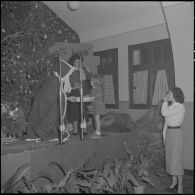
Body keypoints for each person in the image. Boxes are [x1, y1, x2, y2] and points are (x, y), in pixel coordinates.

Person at [26, 53, 75, 140]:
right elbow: (58, 96)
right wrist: (68, 98)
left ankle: (34, 133)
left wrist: (66, 97)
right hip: (47, 104)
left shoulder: (53, 78)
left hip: (42, 103)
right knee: (52, 115)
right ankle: (45, 131)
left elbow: (55, 95)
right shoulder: (55, 81)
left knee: (39, 116)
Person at [161, 87, 185, 194]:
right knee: (170, 160)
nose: (168, 95)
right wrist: (164, 137)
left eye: (169, 93)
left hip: (176, 134)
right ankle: (174, 182)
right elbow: (166, 124)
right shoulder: (170, 106)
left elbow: (164, 113)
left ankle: (180, 187)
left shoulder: (180, 107)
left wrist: (164, 101)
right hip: (170, 134)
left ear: (174, 95)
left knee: (176, 161)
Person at [66, 54, 91, 135]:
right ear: (73, 62)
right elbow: (66, 84)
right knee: (74, 112)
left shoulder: (83, 70)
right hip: (72, 93)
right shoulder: (70, 70)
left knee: (83, 112)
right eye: (77, 62)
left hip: (82, 93)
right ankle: (75, 130)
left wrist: (88, 71)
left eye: (79, 62)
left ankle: (85, 130)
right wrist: (74, 86)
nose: (78, 63)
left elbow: (90, 78)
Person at [88, 74, 106, 139]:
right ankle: (96, 131)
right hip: (95, 106)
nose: (90, 82)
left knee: (97, 119)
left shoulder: (98, 88)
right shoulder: (93, 88)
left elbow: (99, 94)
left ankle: (98, 132)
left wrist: (93, 97)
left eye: (91, 81)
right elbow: (90, 96)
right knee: (95, 119)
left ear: (95, 82)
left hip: (99, 106)